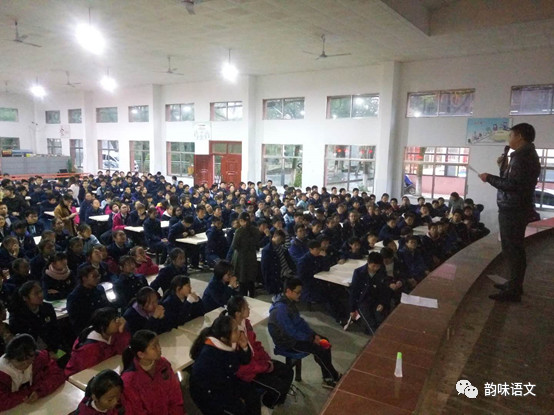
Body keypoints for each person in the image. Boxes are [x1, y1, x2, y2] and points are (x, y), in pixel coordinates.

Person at [479, 123, 541, 302]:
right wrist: (503, 167)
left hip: (513, 209)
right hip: (515, 207)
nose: (509, 139)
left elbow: (512, 186)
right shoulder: (525, 155)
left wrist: (488, 178)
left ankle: (514, 290)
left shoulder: (522, 157)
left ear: (519, 136)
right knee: (512, 248)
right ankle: (514, 284)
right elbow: (513, 181)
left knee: (513, 249)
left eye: (511, 135)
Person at [268, 278, 342, 388]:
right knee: (319, 349)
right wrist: (311, 338)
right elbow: (291, 332)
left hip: (294, 336)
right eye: (298, 292)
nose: (300, 295)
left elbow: (299, 322)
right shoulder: (281, 309)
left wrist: (313, 334)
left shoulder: (289, 302)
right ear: (288, 291)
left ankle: (328, 376)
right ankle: (332, 376)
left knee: (324, 342)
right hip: (287, 342)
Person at [227, 296, 293, 410]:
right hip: (248, 373)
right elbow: (243, 367)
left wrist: (266, 358)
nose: (249, 309)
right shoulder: (232, 335)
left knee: (288, 372)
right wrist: (266, 367)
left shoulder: (246, 323)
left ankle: (275, 401)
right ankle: (268, 403)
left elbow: (255, 344)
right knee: (279, 388)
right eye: (246, 307)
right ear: (238, 313)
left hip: (258, 362)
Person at [189, 315, 261, 415]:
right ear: (224, 338)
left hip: (226, 380)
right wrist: (237, 399)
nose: (239, 331)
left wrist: (244, 347)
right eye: (235, 330)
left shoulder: (230, 341)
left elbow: (244, 361)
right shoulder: (209, 355)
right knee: (239, 409)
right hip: (208, 393)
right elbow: (220, 385)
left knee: (252, 395)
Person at [121, 330, 184, 415]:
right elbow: (137, 411)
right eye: (154, 347)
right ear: (141, 354)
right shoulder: (129, 381)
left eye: (158, 344)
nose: (159, 348)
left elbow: (175, 394)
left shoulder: (163, 364)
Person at [0, 334, 65, 411]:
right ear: (9, 358)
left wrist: (39, 391)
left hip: (39, 406)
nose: (25, 364)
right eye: (20, 361)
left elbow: (58, 375)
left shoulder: (39, 360)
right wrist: (29, 392)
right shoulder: (2, 373)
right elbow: (2, 402)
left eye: (29, 360)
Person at [65, 307, 130, 377]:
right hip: (78, 376)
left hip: (105, 369)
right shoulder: (90, 348)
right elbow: (89, 373)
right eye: (115, 320)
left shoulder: (111, 333)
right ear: (103, 326)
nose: (119, 322)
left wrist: (122, 330)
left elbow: (123, 352)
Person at [349, 252, 391, 334]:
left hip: (376, 299)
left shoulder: (381, 271)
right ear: (368, 262)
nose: (375, 268)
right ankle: (377, 337)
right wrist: (352, 309)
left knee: (380, 319)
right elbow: (354, 291)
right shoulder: (359, 272)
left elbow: (384, 289)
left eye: (378, 266)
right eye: (373, 266)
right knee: (370, 323)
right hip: (363, 300)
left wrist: (382, 303)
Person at [67, 265, 112, 336]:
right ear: (84, 278)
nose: (98, 278)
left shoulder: (100, 289)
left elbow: (107, 306)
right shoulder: (75, 297)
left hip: (105, 326)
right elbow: (77, 322)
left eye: (98, 275)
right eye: (94, 276)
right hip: (89, 331)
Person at [231, 212, 261, 297]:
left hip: (241, 258)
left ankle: (243, 299)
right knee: (251, 281)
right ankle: (252, 297)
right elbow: (257, 244)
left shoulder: (239, 231)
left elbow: (234, 246)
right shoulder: (255, 230)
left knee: (242, 281)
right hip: (252, 257)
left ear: (241, 220)